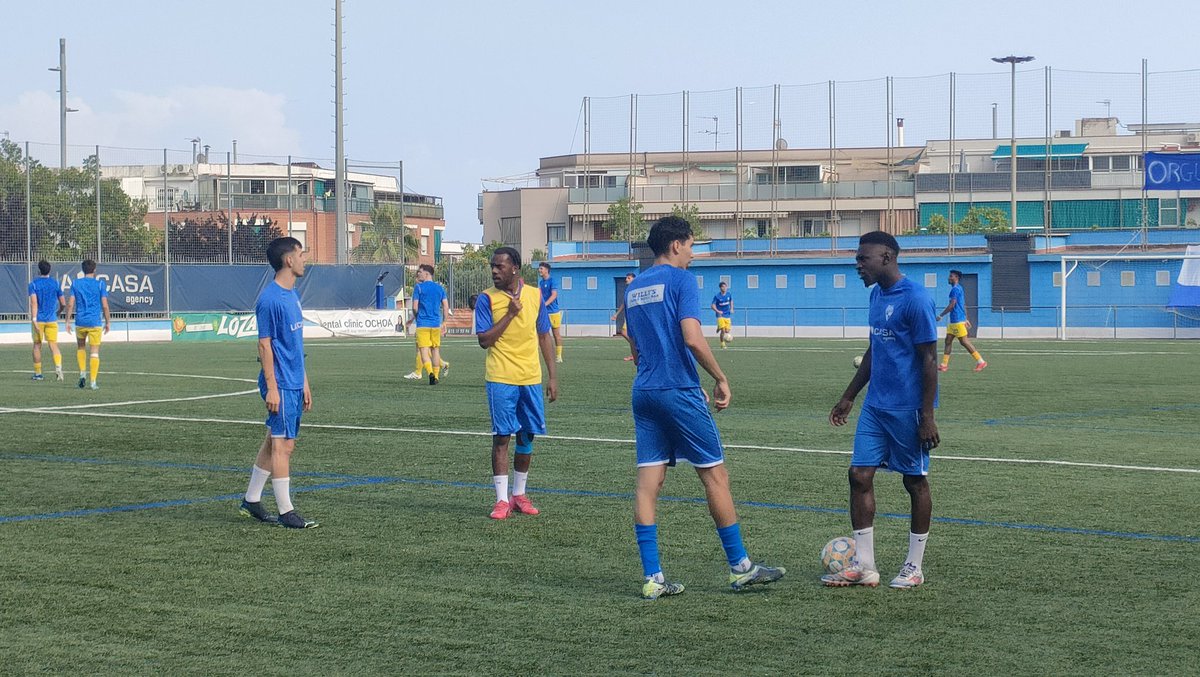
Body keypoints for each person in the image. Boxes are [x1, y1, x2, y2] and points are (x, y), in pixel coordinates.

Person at [625, 216, 785, 600]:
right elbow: (693, 338)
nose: (693, 254)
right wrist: (720, 377)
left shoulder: (633, 288)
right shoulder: (681, 281)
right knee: (715, 476)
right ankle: (741, 568)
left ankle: (653, 578)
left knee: (649, 485)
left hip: (644, 391)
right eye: (692, 246)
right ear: (676, 245)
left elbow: (633, 345)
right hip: (678, 389)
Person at [824, 231, 939, 590]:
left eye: (864, 259)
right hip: (875, 406)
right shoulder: (876, 295)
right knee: (859, 475)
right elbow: (875, 348)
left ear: (887, 256)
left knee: (914, 481)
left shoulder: (916, 298)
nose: (858, 265)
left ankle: (913, 567)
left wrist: (928, 415)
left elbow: (930, 360)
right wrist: (849, 396)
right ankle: (866, 566)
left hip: (908, 409)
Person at [238, 237, 318, 529]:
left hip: (294, 382)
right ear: (289, 260)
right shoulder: (270, 299)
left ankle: (251, 499)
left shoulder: (291, 295)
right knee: (283, 446)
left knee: (277, 442)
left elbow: (294, 344)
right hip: (281, 384)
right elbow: (264, 346)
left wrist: (305, 381)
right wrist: (272, 386)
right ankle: (287, 512)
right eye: (301, 252)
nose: (304, 258)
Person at [476, 247, 558, 520]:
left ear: (515, 268)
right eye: (493, 266)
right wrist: (510, 314)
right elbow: (484, 340)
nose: (494, 271)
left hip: (530, 378)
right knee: (502, 437)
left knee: (527, 435)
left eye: (500, 266)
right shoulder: (487, 299)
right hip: (500, 376)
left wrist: (552, 376)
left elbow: (544, 335)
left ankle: (519, 494)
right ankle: (501, 500)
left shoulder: (535, 295)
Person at [64, 260, 110, 390]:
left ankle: (82, 374)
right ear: (94, 270)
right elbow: (105, 305)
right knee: (94, 352)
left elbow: (70, 304)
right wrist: (108, 322)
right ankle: (93, 382)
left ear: (83, 270)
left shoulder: (76, 283)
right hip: (95, 322)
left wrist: (67, 321)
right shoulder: (100, 284)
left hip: (80, 321)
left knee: (81, 348)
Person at [406, 264, 452, 385]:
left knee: (424, 351)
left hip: (423, 324)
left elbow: (415, 307)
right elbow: (446, 306)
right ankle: (436, 376)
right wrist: (444, 322)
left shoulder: (419, 288)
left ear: (427, 274)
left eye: (420, 272)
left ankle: (430, 373)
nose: (418, 274)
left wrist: (416, 318)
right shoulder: (440, 288)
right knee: (435, 350)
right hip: (436, 324)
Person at [936, 269, 987, 373]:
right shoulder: (959, 288)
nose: (949, 278)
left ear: (956, 278)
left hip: (957, 320)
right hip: (956, 320)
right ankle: (944, 365)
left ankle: (981, 361)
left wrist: (941, 315)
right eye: (949, 276)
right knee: (948, 341)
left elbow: (952, 305)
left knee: (964, 341)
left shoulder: (955, 289)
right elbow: (963, 304)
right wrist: (966, 318)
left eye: (951, 276)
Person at [28, 260, 65, 381]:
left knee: (37, 345)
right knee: (53, 345)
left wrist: (34, 319)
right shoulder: (55, 283)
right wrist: (58, 312)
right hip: (52, 319)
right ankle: (58, 367)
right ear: (50, 270)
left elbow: (34, 303)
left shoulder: (33, 284)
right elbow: (63, 303)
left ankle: (38, 374)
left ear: (39, 270)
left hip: (39, 319)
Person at [538, 262, 564, 363]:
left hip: (553, 312)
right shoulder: (541, 282)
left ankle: (558, 356)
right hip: (544, 313)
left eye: (541, 269)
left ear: (546, 270)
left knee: (556, 334)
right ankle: (541, 355)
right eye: (539, 269)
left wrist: (545, 304)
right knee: (542, 334)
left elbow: (554, 295)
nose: (539, 270)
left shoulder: (552, 281)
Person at [611, 272, 636, 362]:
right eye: (626, 278)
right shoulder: (629, 290)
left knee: (625, 332)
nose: (626, 279)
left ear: (634, 279)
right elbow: (624, 303)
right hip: (630, 315)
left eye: (629, 278)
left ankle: (637, 350)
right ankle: (636, 352)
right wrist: (616, 314)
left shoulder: (636, 288)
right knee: (624, 332)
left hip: (635, 315)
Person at [710, 281, 734, 349]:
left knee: (727, 331)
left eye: (725, 286)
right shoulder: (717, 296)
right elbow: (712, 305)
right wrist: (718, 311)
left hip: (727, 315)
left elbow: (731, 301)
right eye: (723, 287)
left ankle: (719, 326)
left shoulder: (729, 294)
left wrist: (732, 308)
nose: (724, 288)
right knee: (723, 330)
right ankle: (722, 343)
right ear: (720, 288)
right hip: (720, 315)